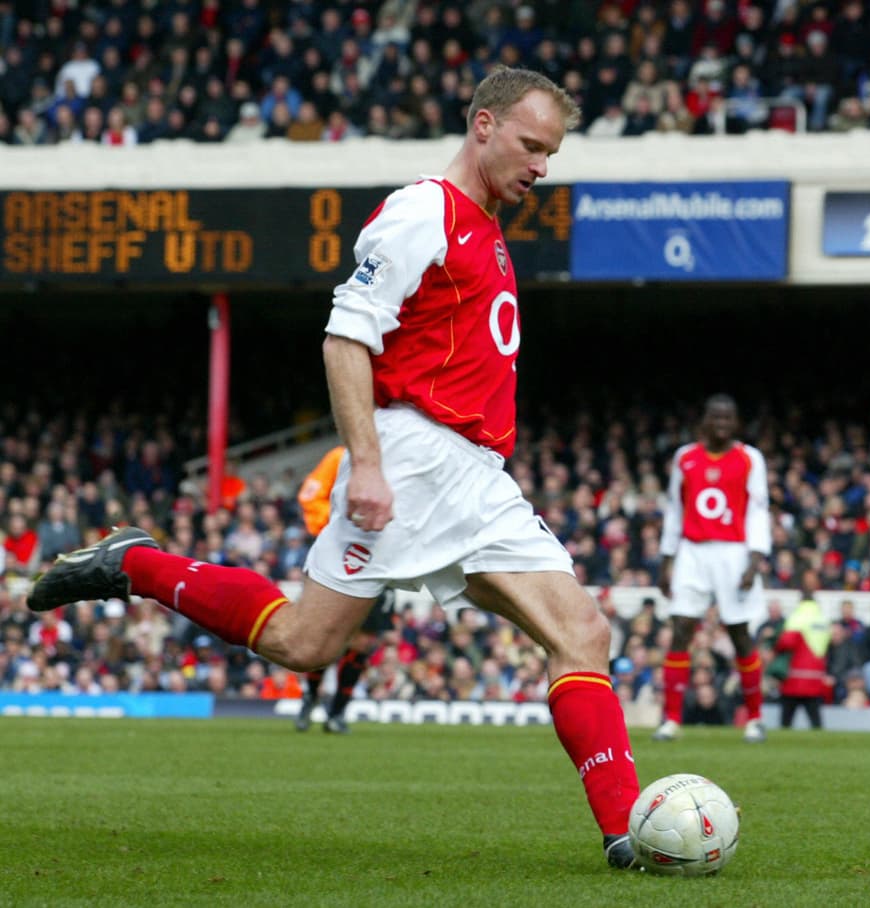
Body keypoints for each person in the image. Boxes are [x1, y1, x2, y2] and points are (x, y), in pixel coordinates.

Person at [26, 67, 642, 872]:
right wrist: (370, 465)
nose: (540, 165)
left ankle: (631, 832)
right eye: (531, 146)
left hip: (478, 476)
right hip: (417, 458)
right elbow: (346, 339)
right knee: (303, 643)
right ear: (482, 126)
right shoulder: (425, 211)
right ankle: (136, 563)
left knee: (583, 631)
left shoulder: (487, 223)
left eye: (551, 153)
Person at [654, 394, 771, 744]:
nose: (721, 424)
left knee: (739, 632)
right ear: (705, 420)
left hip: (733, 551)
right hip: (692, 550)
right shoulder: (685, 457)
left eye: (728, 419)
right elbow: (676, 508)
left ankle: (755, 718)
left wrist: (755, 559)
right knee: (681, 629)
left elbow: (758, 509)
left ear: (735, 423)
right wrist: (666, 559)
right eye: (715, 418)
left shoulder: (750, 458)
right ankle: (671, 719)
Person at [293, 445, 397, 734]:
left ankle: (337, 711)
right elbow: (310, 496)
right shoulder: (341, 456)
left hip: (382, 556)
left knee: (363, 642)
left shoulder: (403, 455)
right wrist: (342, 522)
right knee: (322, 635)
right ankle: (311, 698)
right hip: (339, 552)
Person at [772, 569, 831, 729]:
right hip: (815, 675)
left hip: (795, 676)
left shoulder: (797, 617)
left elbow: (786, 642)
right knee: (815, 719)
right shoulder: (822, 618)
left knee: (786, 720)